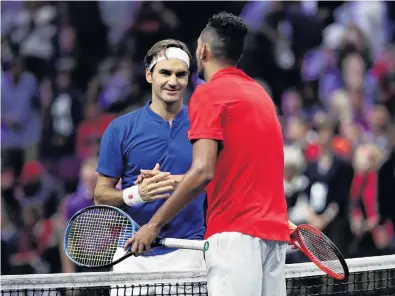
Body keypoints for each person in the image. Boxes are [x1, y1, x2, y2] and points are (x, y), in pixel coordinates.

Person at [126, 12, 292, 296]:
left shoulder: (208, 94)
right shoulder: (260, 95)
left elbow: (203, 171)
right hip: (273, 238)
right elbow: (236, 170)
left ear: (203, 50)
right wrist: (172, 181)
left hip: (234, 239)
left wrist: (154, 224)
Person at [94, 39, 206, 276]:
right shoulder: (120, 128)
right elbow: (101, 196)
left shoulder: (204, 124)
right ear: (149, 75)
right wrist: (136, 194)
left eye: (180, 74)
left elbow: (219, 179)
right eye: (165, 73)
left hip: (189, 251)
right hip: (132, 253)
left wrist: (174, 181)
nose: (173, 81)